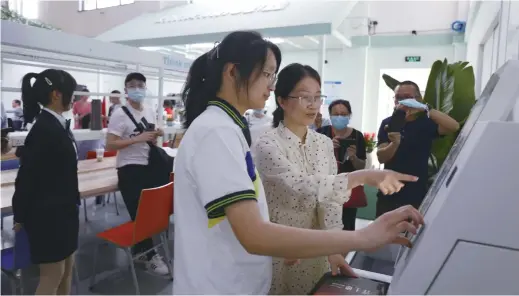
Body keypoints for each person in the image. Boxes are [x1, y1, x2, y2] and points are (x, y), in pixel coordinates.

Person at [173, 31, 424, 295]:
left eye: (317, 97)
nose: (271, 85)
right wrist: (363, 236)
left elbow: (255, 215)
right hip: (221, 285)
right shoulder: (218, 132)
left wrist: (294, 245)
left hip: (247, 275)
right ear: (234, 71)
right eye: (267, 74)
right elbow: (256, 231)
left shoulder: (227, 129)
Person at [12, 69, 80, 295]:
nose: (74, 98)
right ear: (56, 95)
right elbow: (27, 176)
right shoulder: (43, 129)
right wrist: (20, 215)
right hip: (48, 215)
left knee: (67, 270)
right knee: (52, 276)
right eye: (71, 92)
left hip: (64, 209)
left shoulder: (57, 125)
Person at [106, 72, 169, 275]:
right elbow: (110, 143)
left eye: (140, 85)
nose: (137, 89)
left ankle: (141, 251)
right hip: (129, 168)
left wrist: (154, 135)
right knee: (139, 213)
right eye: (132, 85)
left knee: (148, 211)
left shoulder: (149, 110)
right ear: (126, 90)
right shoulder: (119, 114)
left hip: (149, 165)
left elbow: (149, 138)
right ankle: (151, 257)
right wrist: (137, 139)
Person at [376, 81, 460, 217]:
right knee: (384, 235)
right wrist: (394, 144)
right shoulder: (388, 123)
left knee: (412, 234)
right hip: (389, 191)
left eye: (408, 97)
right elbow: (381, 157)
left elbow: (454, 126)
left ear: (418, 99)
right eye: (398, 97)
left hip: (416, 192)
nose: (403, 101)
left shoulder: (426, 123)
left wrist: (426, 109)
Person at [317, 99, 366, 232]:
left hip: (348, 191)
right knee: (324, 229)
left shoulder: (357, 136)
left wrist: (354, 157)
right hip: (326, 191)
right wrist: (328, 148)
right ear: (330, 115)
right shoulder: (320, 133)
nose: (339, 117)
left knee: (347, 228)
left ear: (349, 116)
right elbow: (312, 162)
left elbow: (362, 167)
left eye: (343, 114)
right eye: (336, 114)